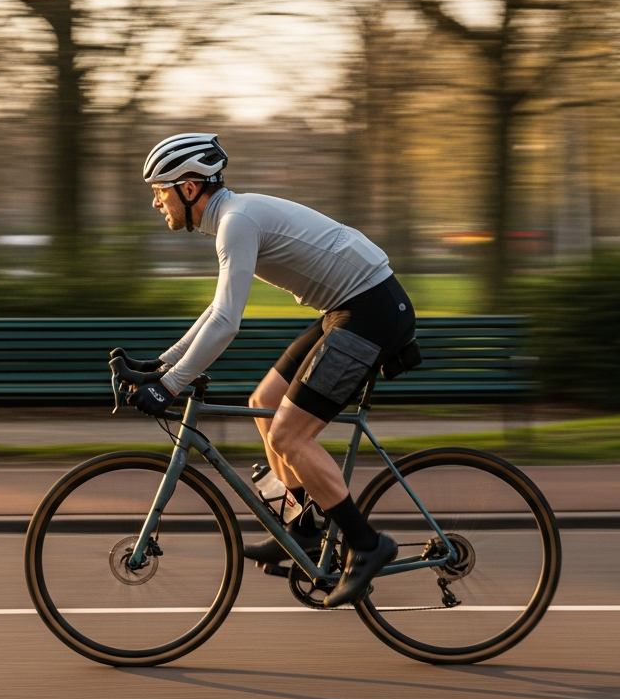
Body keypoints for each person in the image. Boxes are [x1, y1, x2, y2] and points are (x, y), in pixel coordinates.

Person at [126, 132, 415, 607]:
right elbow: (217, 309)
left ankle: (367, 546)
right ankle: (302, 529)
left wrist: (170, 386)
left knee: (289, 436)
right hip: (350, 308)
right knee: (263, 403)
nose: (156, 201)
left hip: (371, 311)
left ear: (190, 188)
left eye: (160, 189)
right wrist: (162, 365)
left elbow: (225, 323)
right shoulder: (232, 219)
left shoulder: (236, 222)